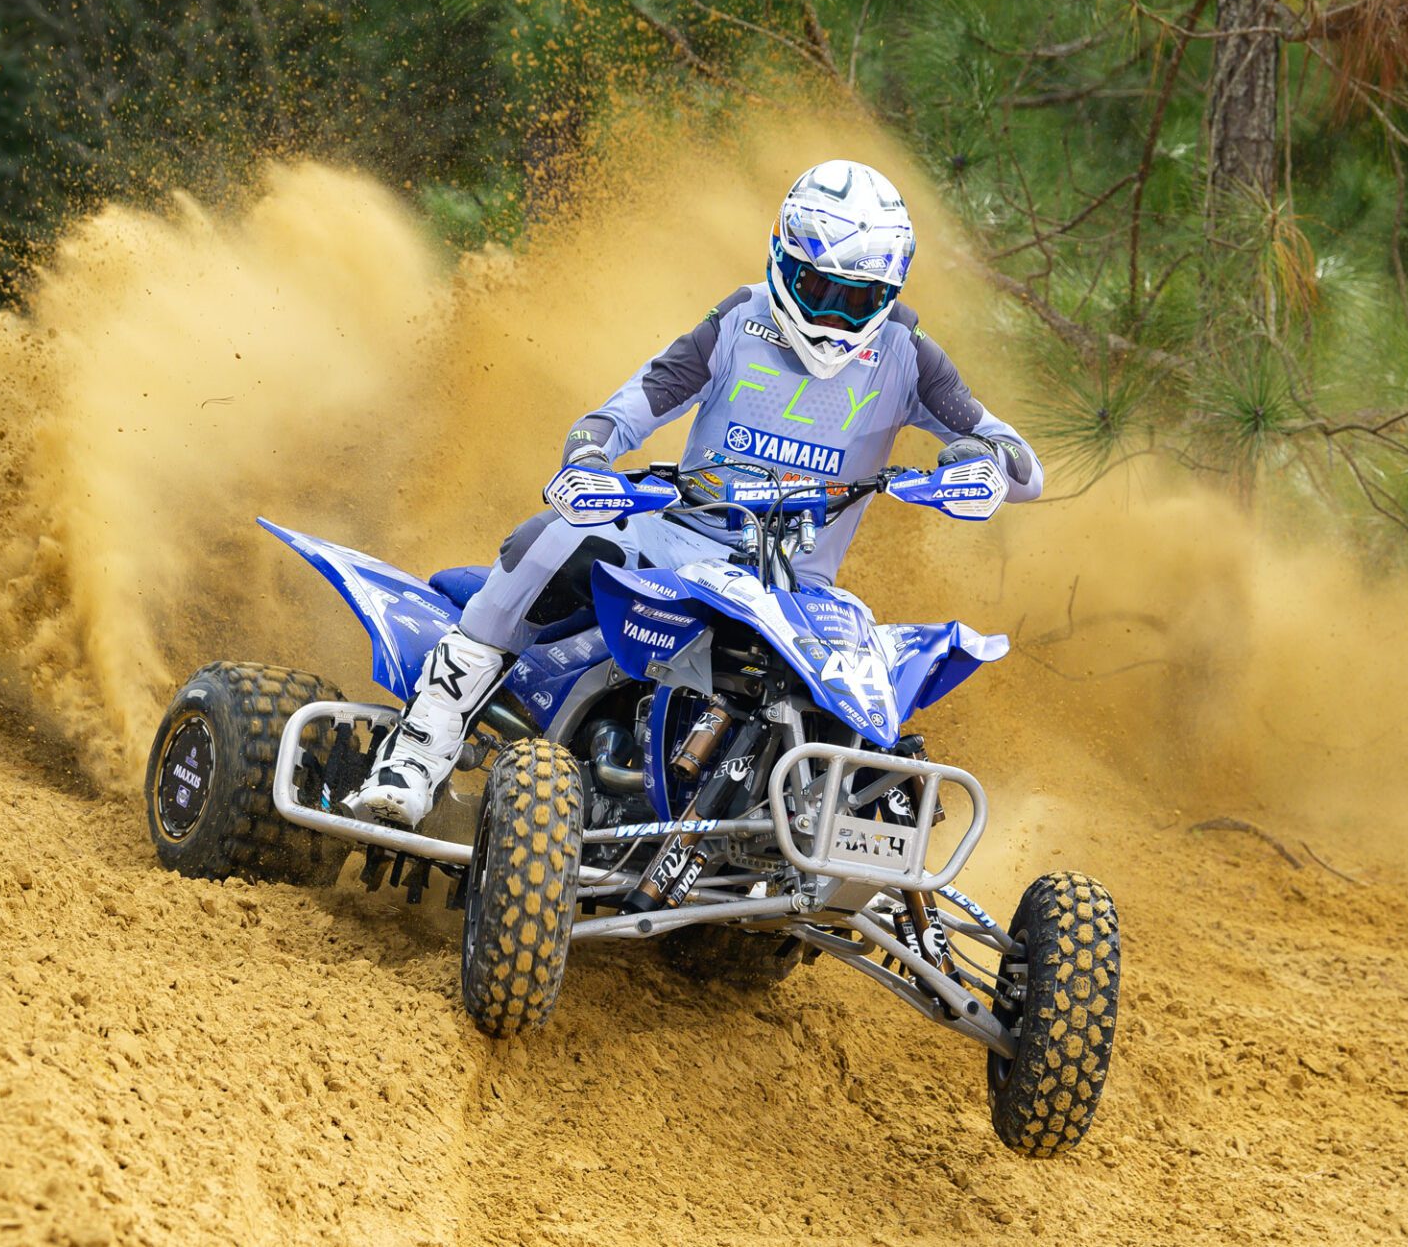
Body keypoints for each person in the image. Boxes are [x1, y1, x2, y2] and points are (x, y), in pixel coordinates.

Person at [352, 159, 1043, 827]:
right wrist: (589, 461)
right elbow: (616, 416)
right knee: (550, 539)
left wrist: (982, 466)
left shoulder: (906, 352)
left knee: (885, 682)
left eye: (857, 298)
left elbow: (1022, 465)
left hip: (800, 587)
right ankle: (417, 751)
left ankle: (852, 828)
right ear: (783, 259)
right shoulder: (739, 322)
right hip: (681, 543)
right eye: (818, 288)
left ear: (888, 293)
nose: (835, 316)